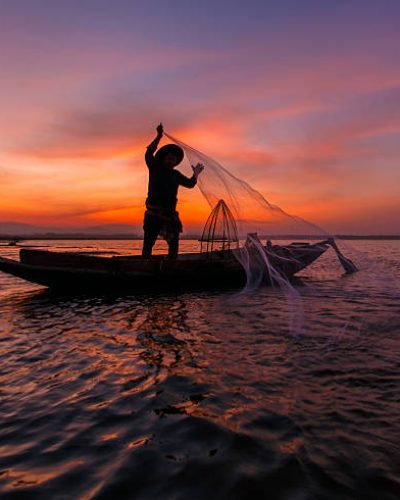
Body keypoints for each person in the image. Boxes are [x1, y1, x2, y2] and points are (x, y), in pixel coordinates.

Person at [142, 123, 204, 259]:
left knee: (174, 244)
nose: (171, 160)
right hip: (153, 214)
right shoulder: (155, 168)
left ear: (176, 161)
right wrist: (158, 137)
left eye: (173, 158)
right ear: (164, 159)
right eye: (169, 157)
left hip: (170, 216)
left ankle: (172, 266)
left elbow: (190, 183)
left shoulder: (175, 175)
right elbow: (148, 153)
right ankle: (144, 264)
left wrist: (196, 174)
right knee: (148, 242)